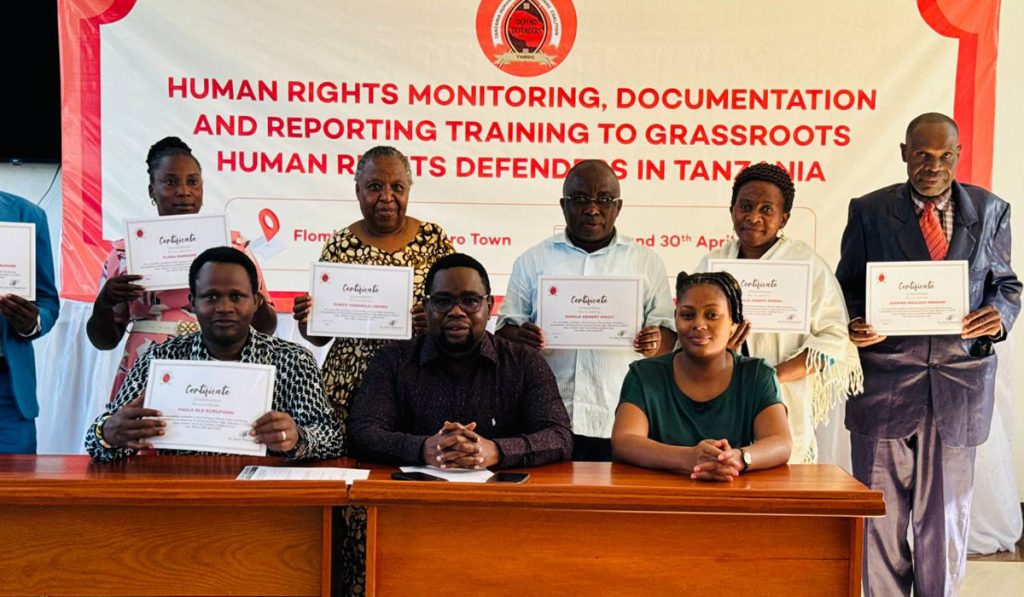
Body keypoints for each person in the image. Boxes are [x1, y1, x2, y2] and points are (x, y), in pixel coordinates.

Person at [835, 112, 1021, 596]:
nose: (933, 166)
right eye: (921, 154)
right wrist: (854, 321)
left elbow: (1006, 285)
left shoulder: (991, 210)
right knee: (879, 519)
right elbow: (846, 287)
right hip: (884, 379)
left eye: (944, 155)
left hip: (959, 382)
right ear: (904, 153)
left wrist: (998, 315)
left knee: (946, 520)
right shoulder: (870, 211)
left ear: (958, 155)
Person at [291, 145, 454, 596]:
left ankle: (403, 581)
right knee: (348, 489)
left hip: (418, 385)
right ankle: (343, 581)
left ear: (410, 189)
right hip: (349, 386)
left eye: (397, 186)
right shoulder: (339, 244)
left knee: (408, 489)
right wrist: (308, 322)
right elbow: (320, 337)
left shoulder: (435, 240)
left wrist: (434, 321)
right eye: (374, 186)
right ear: (357, 189)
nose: (386, 197)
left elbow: (459, 307)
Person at [85, 247, 342, 462]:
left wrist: (298, 438)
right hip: (180, 492)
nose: (224, 307)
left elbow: (333, 438)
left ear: (256, 301)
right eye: (211, 297)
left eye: (236, 296)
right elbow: (96, 443)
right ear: (192, 302)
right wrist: (108, 433)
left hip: (262, 496)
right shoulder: (159, 360)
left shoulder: (293, 361)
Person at [497, 159, 676, 461]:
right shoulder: (533, 260)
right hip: (547, 417)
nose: (592, 209)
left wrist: (655, 342)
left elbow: (669, 335)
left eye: (604, 200)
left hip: (620, 415)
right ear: (563, 205)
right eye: (580, 199)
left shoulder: (646, 262)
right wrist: (522, 338)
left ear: (618, 207)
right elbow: (504, 332)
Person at [86, 136, 277, 401]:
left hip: (219, 365)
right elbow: (104, 341)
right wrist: (104, 303)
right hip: (146, 367)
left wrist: (252, 298)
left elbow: (266, 328)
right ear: (152, 190)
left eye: (192, 182)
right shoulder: (125, 253)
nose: (183, 191)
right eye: (170, 182)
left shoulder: (234, 250)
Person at [696, 162, 862, 464]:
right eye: (745, 206)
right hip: (720, 395)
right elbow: (691, 329)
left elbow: (835, 341)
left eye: (766, 209)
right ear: (732, 209)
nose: (753, 217)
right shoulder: (712, 264)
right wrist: (717, 350)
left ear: (784, 218)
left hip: (783, 398)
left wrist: (772, 376)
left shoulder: (807, 265)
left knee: (781, 478)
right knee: (721, 468)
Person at [349, 253, 572, 468]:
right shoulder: (393, 360)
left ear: (489, 306)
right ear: (426, 307)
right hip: (413, 492)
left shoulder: (524, 362)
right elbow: (363, 431)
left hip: (500, 492)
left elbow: (559, 436)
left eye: (470, 301)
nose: (456, 311)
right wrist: (423, 449)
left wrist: (496, 451)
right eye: (442, 301)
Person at [612, 271, 791, 478]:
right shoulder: (644, 375)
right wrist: (688, 458)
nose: (698, 324)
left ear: (733, 323)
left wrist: (738, 458)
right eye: (687, 315)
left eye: (712, 315)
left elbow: (781, 443)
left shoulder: (758, 375)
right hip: (659, 493)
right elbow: (624, 441)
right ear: (675, 318)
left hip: (734, 491)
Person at [0, 191, 60, 454]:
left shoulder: (27, 215)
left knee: (16, 479)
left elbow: (47, 301)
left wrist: (32, 321)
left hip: (8, 392)